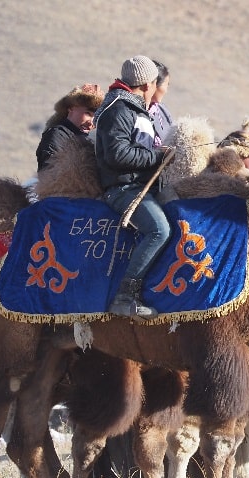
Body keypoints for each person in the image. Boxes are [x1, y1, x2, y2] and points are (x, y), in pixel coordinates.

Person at [94, 55, 174, 319]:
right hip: (123, 189)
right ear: (148, 83)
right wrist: (157, 157)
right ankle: (125, 296)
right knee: (159, 230)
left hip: (137, 186)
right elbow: (118, 155)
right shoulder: (119, 108)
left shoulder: (131, 106)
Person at [35, 84, 104, 172]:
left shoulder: (92, 141)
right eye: (88, 114)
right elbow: (52, 175)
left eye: (96, 118)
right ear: (71, 108)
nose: (91, 122)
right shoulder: (56, 136)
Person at [148, 60, 173, 147]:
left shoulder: (163, 111)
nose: (166, 91)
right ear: (154, 84)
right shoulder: (132, 112)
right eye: (166, 85)